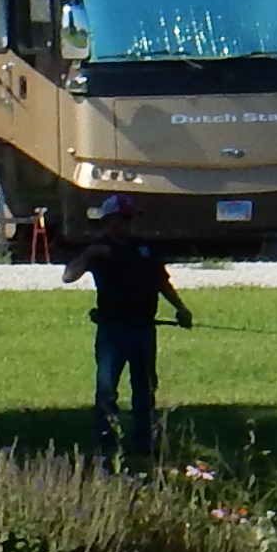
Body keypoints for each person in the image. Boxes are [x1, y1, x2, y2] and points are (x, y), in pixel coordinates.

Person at [60, 197, 184, 464]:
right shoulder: (100, 250)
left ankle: (144, 441)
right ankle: (107, 441)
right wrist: (89, 255)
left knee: (145, 386)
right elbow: (68, 276)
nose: (129, 224)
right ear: (109, 220)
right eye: (124, 218)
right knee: (107, 388)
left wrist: (181, 308)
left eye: (131, 218)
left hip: (144, 328)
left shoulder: (144, 248)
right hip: (113, 330)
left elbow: (161, 281)